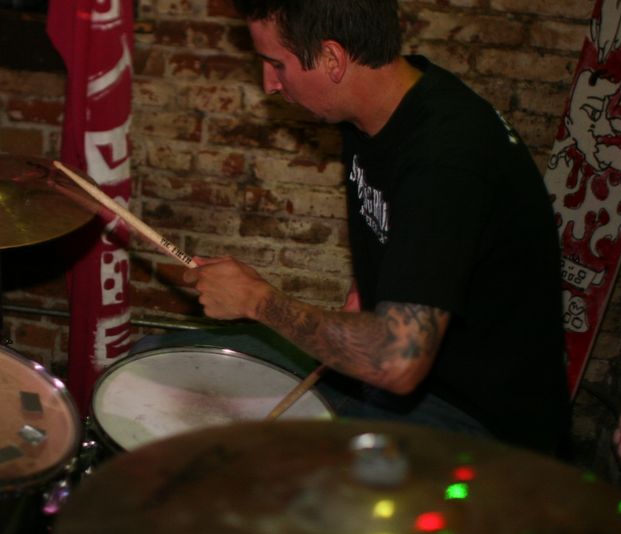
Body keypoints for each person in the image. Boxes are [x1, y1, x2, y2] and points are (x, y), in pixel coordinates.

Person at [134, 0, 570, 455]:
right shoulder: (378, 110)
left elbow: (397, 361)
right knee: (153, 358)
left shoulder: (447, 160)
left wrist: (256, 300)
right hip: (394, 385)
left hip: (478, 424)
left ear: (332, 59)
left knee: (246, 464)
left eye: (276, 64)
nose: (269, 84)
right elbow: (410, 246)